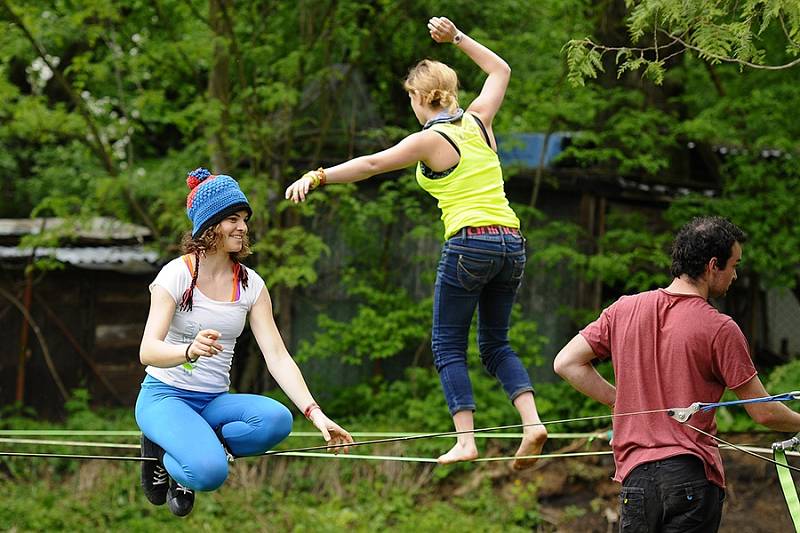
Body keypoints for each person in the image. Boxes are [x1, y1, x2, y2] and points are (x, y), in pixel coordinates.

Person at [285, 16, 547, 468]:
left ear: (422, 98)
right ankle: (532, 423)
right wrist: (458, 39)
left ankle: (466, 440)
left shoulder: (430, 140)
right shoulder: (480, 122)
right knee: (496, 344)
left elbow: (370, 165)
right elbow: (500, 70)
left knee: (447, 344)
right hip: (511, 244)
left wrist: (319, 174)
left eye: (410, 98)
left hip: (470, 245)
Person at [553, 216, 800, 532]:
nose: (736, 275)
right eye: (734, 265)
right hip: (691, 481)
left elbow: (566, 363)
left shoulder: (623, 309)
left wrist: (620, 401)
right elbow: (764, 412)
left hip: (635, 485)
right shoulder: (720, 328)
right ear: (713, 266)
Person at [136, 168, 353, 517]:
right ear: (209, 226)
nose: (243, 227)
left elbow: (277, 355)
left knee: (277, 420)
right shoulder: (177, 274)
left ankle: (194, 446)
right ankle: (166, 453)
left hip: (212, 402)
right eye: (232, 219)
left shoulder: (252, 285)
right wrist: (188, 350)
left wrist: (315, 414)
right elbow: (148, 350)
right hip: (165, 396)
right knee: (209, 473)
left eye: (245, 219)